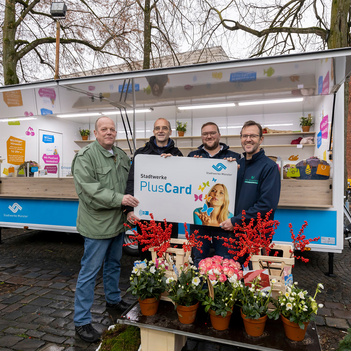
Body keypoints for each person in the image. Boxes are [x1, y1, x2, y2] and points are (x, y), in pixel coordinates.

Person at [72, 116, 139, 343]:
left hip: (118, 223)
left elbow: (131, 182)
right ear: (95, 132)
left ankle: (113, 299)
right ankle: (81, 322)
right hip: (96, 226)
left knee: (114, 265)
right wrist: (122, 200)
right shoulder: (85, 157)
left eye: (112, 129)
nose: (109, 132)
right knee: (89, 273)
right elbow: (91, 191)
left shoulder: (120, 155)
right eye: (104, 129)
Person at [219, 120, 281, 264]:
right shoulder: (236, 165)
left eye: (253, 136)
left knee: (256, 280)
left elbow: (267, 205)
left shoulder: (269, 167)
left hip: (257, 235)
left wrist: (236, 221)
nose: (248, 139)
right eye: (244, 136)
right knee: (234, 276)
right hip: (234, 233)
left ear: (261, 139)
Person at [125, 118, 183, 260]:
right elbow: (132, 181)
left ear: (170, 131)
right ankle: (147, 280)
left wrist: (174, 164)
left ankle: (166, 282)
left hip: (168, 217)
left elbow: (182, 183)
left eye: (164, 128)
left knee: (167, 255)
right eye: (158, 128)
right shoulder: (141, 153)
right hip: (145, 216)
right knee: (146, 254)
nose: (161, 131)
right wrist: (129, 210)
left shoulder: (177, 155)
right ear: (153, 131)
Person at [188, 122, 241, 266]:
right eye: (205, 134)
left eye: (212, 133)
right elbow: (187, 182)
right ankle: (200, 287)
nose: (209, 136)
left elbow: (240, 186)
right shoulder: (192, 156)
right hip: (199, 224)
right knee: (198, 260)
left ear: (219, 135)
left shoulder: (234, 157)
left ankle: (222, 287)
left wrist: (236, 169)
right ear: (201, 136)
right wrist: (191, 167)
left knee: (225, 260)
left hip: (225, 221)